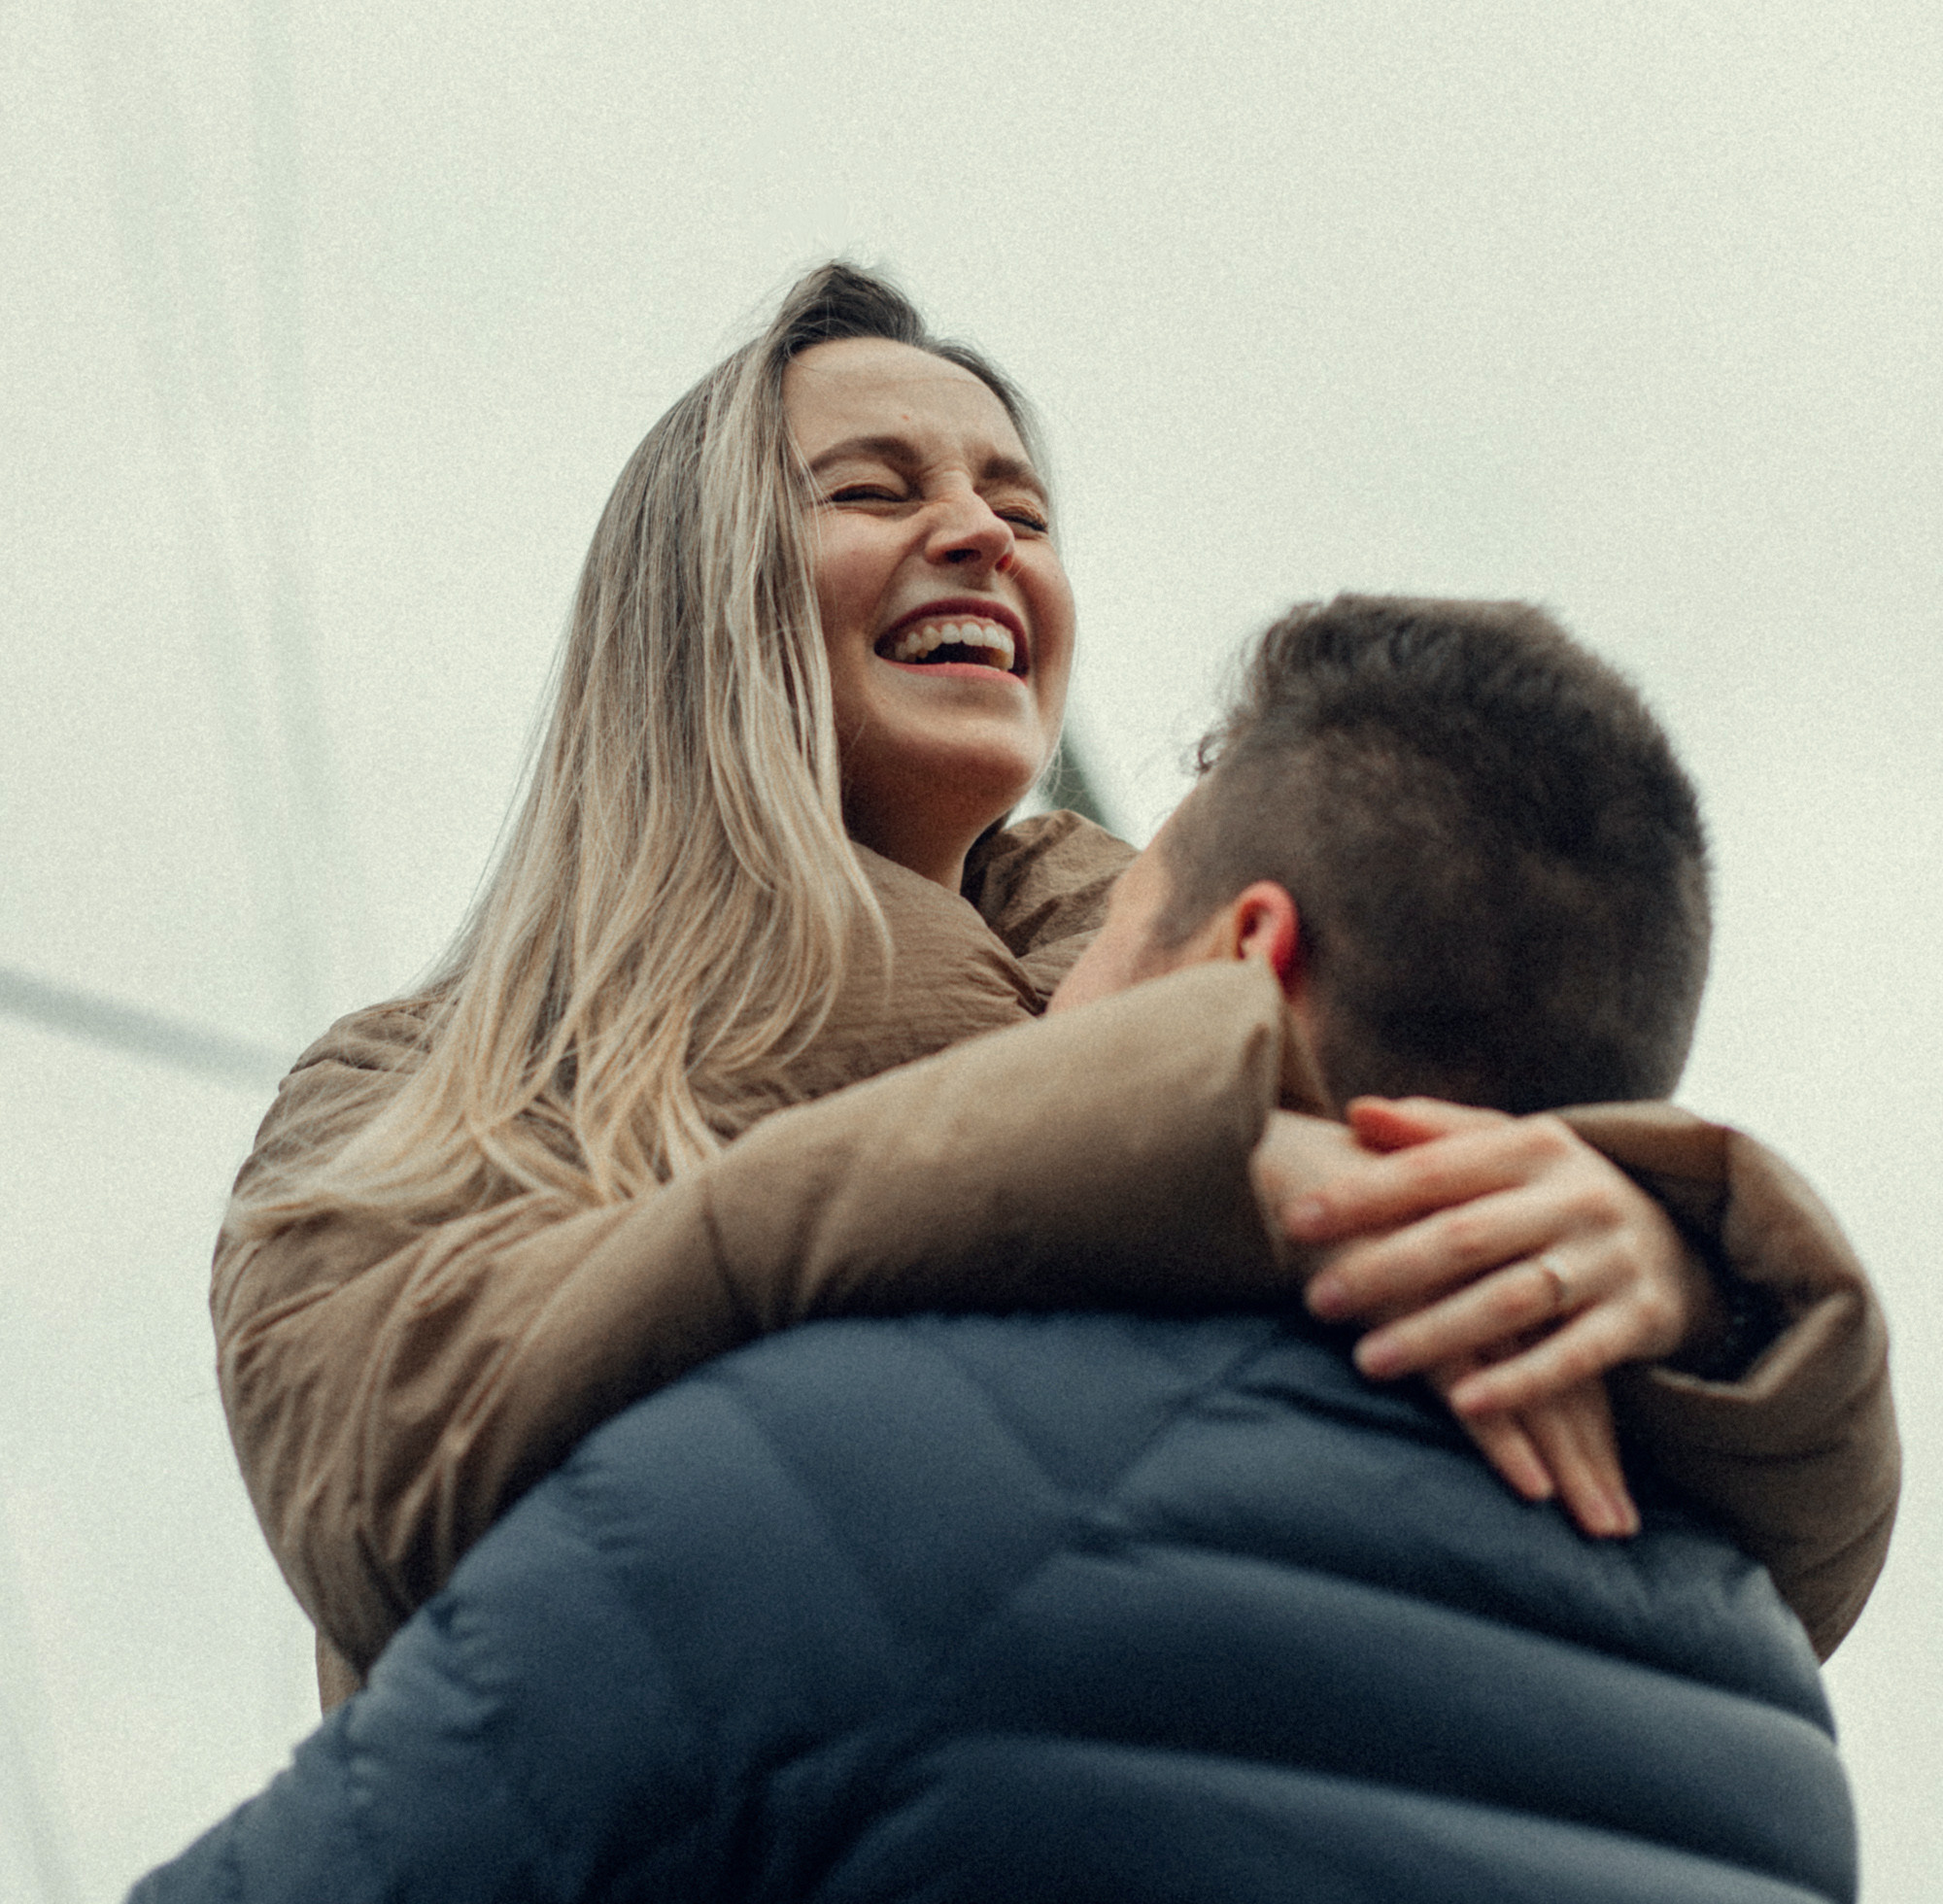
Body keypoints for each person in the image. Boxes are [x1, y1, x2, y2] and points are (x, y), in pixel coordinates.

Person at [209, 264, 1893, 1723]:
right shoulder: (424, 1084)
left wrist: (1690, 1289)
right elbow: (391, 1479)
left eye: (1022, 513)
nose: (977, 537)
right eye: (874, 492)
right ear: (696, 603)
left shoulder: (1240, 982)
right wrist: (1173, 1146)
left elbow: (1684, 1613)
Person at [133, 598, 1875, 1902]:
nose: (1042, 994)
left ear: (1246, 960)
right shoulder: (1768, 1720)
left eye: (1109, 917)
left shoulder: (844, 1488)